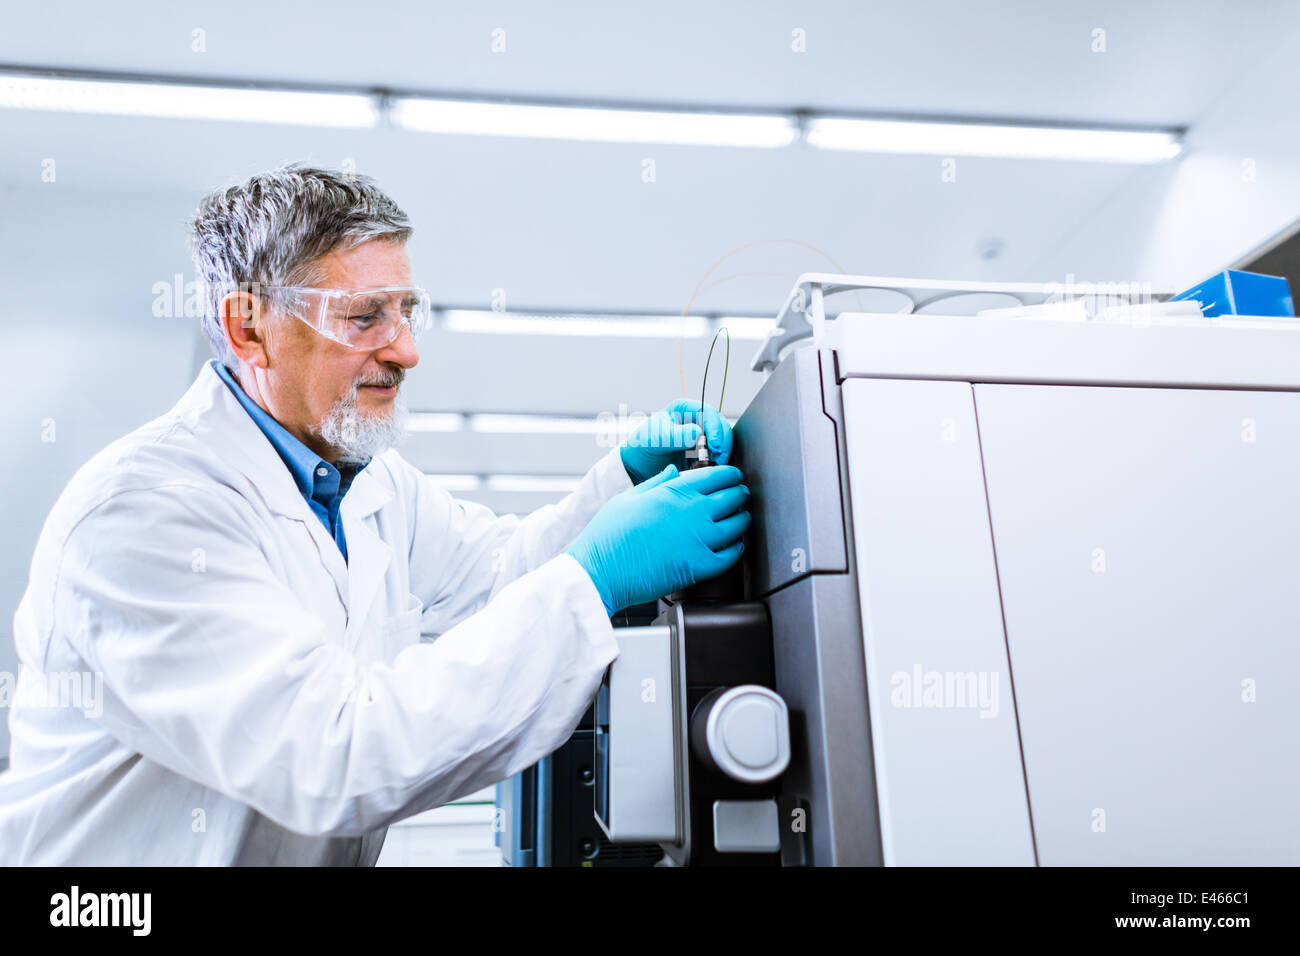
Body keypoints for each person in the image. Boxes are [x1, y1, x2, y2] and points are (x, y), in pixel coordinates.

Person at [0, 164, 749, 864]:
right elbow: (332, 756)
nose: (408, 352)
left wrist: (616, 488)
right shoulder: (144, 514)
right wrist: (596, 578)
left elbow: (496, 580)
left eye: (406, 313)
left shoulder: (372, 483)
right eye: (365, 319)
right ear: (248, 328)